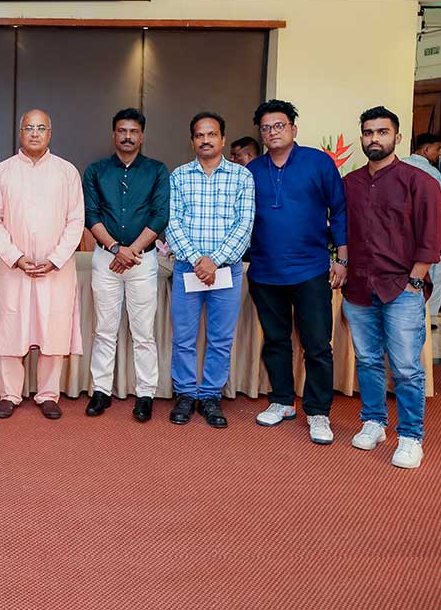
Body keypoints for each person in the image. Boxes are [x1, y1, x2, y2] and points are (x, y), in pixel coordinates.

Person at [342, 107, 441, 469]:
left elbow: (432, 237)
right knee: (368, 361)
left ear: (397, 137)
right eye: (368, 132)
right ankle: (374, 422)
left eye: (382, 132)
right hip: (359, 288)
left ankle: (411, 437)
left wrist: (416, 280)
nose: (374, 138)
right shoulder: (350, 183)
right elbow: (341, 231)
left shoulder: (420, 182)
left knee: (405, 367)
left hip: (402, 288)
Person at [245, 100, 347, 445]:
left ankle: (318, 412)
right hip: (265, 271)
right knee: (275, 341)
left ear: (293, 128)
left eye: (279, 125)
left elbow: (340, 210)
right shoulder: (252, 170)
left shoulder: (319, 163)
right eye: (266, 128)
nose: (272, 132)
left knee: (317, 345)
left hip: (310, 270)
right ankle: (282, 401)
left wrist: (343, 258)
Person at [0, 109, 85, 421]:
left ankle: (48, 395)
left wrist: (55, 259)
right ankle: (9, 394)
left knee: (53, 330)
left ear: (50, 134)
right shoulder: (2, 172)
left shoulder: (67, 172)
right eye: (29, 128)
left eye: (41, 128)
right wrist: (15, 257)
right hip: (13, 268)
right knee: (12, 328)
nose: (35, 133)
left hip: (55, 270)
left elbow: (76, 220)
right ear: (20, 132)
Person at [166, 112, 255, 429]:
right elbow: (172, 223)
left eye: (211, 134)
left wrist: (214, 260)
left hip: (227, 271)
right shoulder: (178, 176)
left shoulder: (242, 177)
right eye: (199, 135)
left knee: (220, 338)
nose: (205, 140)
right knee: (184, 337)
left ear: (222, 138)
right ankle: (186, 393)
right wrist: (197, 259)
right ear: (192, 140)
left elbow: (244, 225)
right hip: (187, 268)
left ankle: (210, 396)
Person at [82, 107, 169, 422]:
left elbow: (160, 215)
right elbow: (91, 214)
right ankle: (101, 391)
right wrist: (115, 248)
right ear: (113, 134)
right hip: (106, 259)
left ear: (142, 136)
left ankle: (145, 394)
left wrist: (131, 250)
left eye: (134, 131)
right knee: (104, 330)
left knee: (143, 332)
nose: (128, 136)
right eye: (122, 130)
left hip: (142, 261)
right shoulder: (96, 171)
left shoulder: (157, 171)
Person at [402, 132, 441, 326]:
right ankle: (429, 318)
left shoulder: (399, 165)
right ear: (426, 149)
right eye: (438, 149)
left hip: (400, 238)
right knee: (434, 269)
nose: (440, 153)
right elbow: (439, 208)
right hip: (423, 234)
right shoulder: (432, 174)